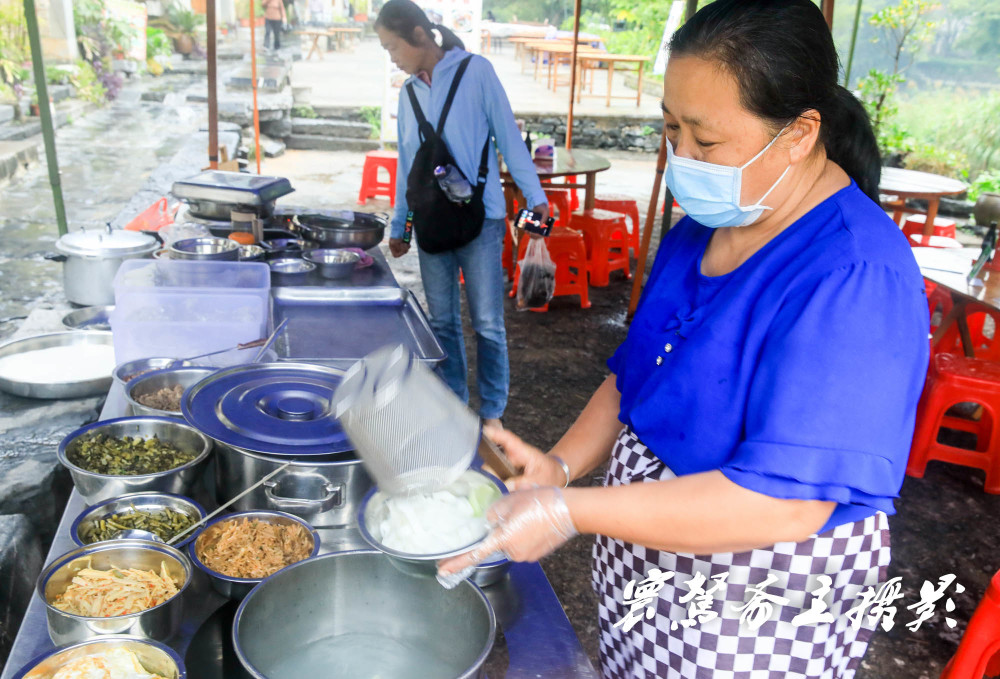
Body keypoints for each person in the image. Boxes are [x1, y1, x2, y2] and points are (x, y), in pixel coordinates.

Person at [439, 0, 930, 676]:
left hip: (756, 601)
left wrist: (567, 509)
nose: (682, 159)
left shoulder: (855, 276)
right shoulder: (702, 228)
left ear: (799, 132)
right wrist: (558, 467)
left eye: (705, 139)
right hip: (647, 563)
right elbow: (634, 378)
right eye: (672, 130)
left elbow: (782, 500)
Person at [376, 0, 548, 429]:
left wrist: (535, 195)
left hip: (482, 219)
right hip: (433, 221)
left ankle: (492, 413)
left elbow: (509, 137)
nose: (392, 57)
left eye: (393, 47)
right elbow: (408, 169)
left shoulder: (477, 72)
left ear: (419, 35)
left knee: (488, 324)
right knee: (442, 322)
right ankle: (454, 403)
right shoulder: (410, 92)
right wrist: (401, 227)